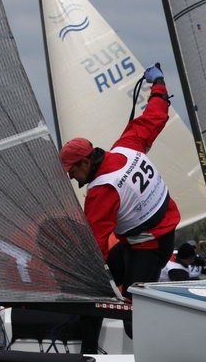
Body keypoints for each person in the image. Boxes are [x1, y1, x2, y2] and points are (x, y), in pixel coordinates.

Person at [60, 64, 179, 339]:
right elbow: (156, 115)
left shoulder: (102, 191)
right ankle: (88, 350)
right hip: (144, 241)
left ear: (86, 162)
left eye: (72, 171)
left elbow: (95, 243)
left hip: (149, 248)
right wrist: (158, 84)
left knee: (131, 319)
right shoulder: (126, 145)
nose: (71, 177)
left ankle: (163, 352)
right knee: (94, 293)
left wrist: (75, 273)